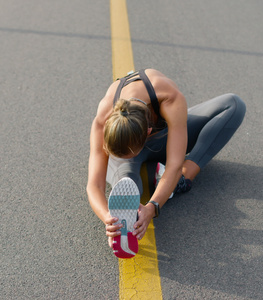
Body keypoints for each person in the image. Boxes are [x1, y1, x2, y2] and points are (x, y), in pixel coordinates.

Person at [87, 69, 246, 249]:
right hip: (132, 152)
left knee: (233, 104)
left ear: (147, 133)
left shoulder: (168, 97)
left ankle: (183, 179)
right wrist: (108, 218)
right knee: (127, 186)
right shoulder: (103, 117)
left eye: (128, 153)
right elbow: (94, 185)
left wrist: (152, 207)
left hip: (165, 139)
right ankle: (126, 213)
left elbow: (174, 165)